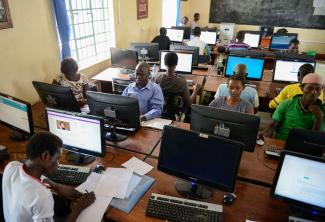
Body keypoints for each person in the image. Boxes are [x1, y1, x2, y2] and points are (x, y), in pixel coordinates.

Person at [2, 132, 95, 221]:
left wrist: (57, 186)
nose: (58, 164)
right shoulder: (40, 195)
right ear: (45, 155)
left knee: (60, 204)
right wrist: (79, 206)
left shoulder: (11, 166)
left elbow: (24, 162)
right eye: (57, 158)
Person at [261, 73, 324, 141]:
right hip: (281, 144)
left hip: (305, 147)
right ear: (302, 88)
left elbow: (315, 140)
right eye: (310, 88)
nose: (314, 92)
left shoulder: (322, 111)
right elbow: (273, 125)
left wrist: (319, 117)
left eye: (318, 89)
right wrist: (262, 136)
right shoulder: (286, 104)